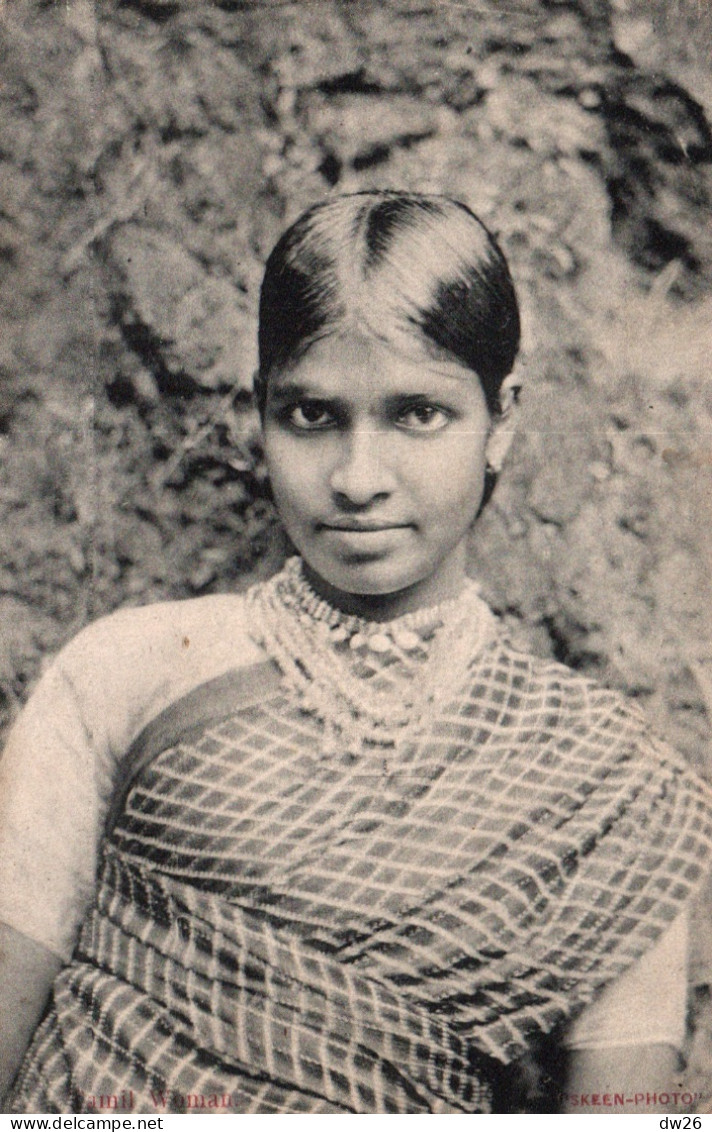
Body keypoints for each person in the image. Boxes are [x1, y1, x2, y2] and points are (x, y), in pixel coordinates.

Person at [1, 190, 711, 1115]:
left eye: (418, 414)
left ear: (502, 418)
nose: (358, 479)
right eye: (311, 416)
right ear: (259, 413)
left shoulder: (608, 790)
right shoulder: (125, 672)